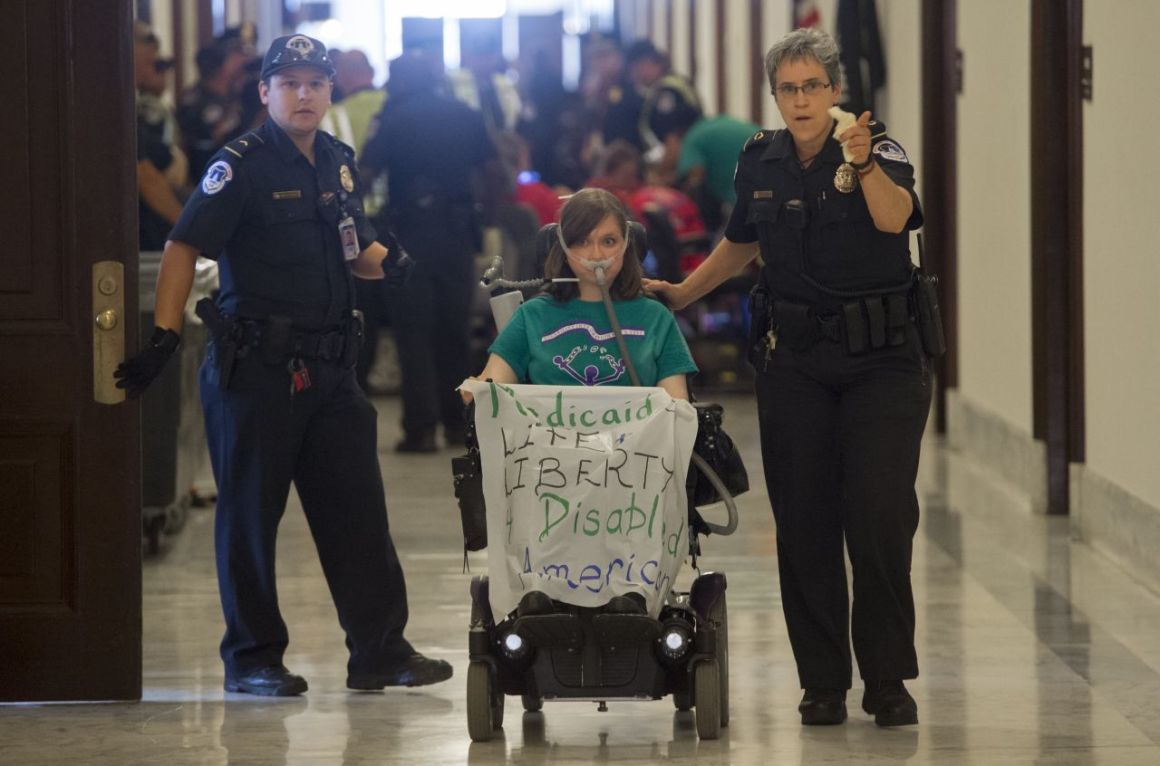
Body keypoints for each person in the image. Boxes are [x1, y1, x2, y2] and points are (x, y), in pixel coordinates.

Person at [114, 34, 452, 697]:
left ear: (330, 93)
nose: (304, 94)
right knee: (248, 518)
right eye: (289, 82)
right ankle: (252, 659)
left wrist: (397, 264)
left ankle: (379, 651)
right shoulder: (240, 164)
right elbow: (184, 246)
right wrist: (164, 335)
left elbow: (354, 247)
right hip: (256, 372)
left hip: (331, 368)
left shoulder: (337, 161)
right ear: (265, 92)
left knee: (358, 514)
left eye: (316, 83)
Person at [644, 28, 928, 728]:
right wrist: (685, 292)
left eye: (812, 87)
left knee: (879, 516)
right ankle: (823, 681)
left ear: (835, 91)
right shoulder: (760, 160)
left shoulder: (875, 148)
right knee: (804, 523)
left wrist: (862, 166)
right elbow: (744, 239)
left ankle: (887, 678)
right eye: (788, 89)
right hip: (796, 361)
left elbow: (897, 222)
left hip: (883, 362)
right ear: (776, 97)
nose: (800, 101)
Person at [466, 187, 698, 615]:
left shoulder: (655, 319)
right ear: (563, 248)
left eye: (608, 241)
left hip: (630, 467)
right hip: (549, 466)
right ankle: (541, 587)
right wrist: (477, 390)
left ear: (626, 245)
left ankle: (632, 590)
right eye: (582, 241)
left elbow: (675, 403)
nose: (596, 253)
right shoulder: (532, 317)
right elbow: (494, 382)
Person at [361, 52, 500, 453]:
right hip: (456, 233)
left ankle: (421, 430)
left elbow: (365, 173)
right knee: (453, 331)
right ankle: (460, 425)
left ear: (404, 80)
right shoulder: (464, 114)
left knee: (413, 333)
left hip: (408, 235)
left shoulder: (392, 119)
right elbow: (493, 170)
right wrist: (484, 218)